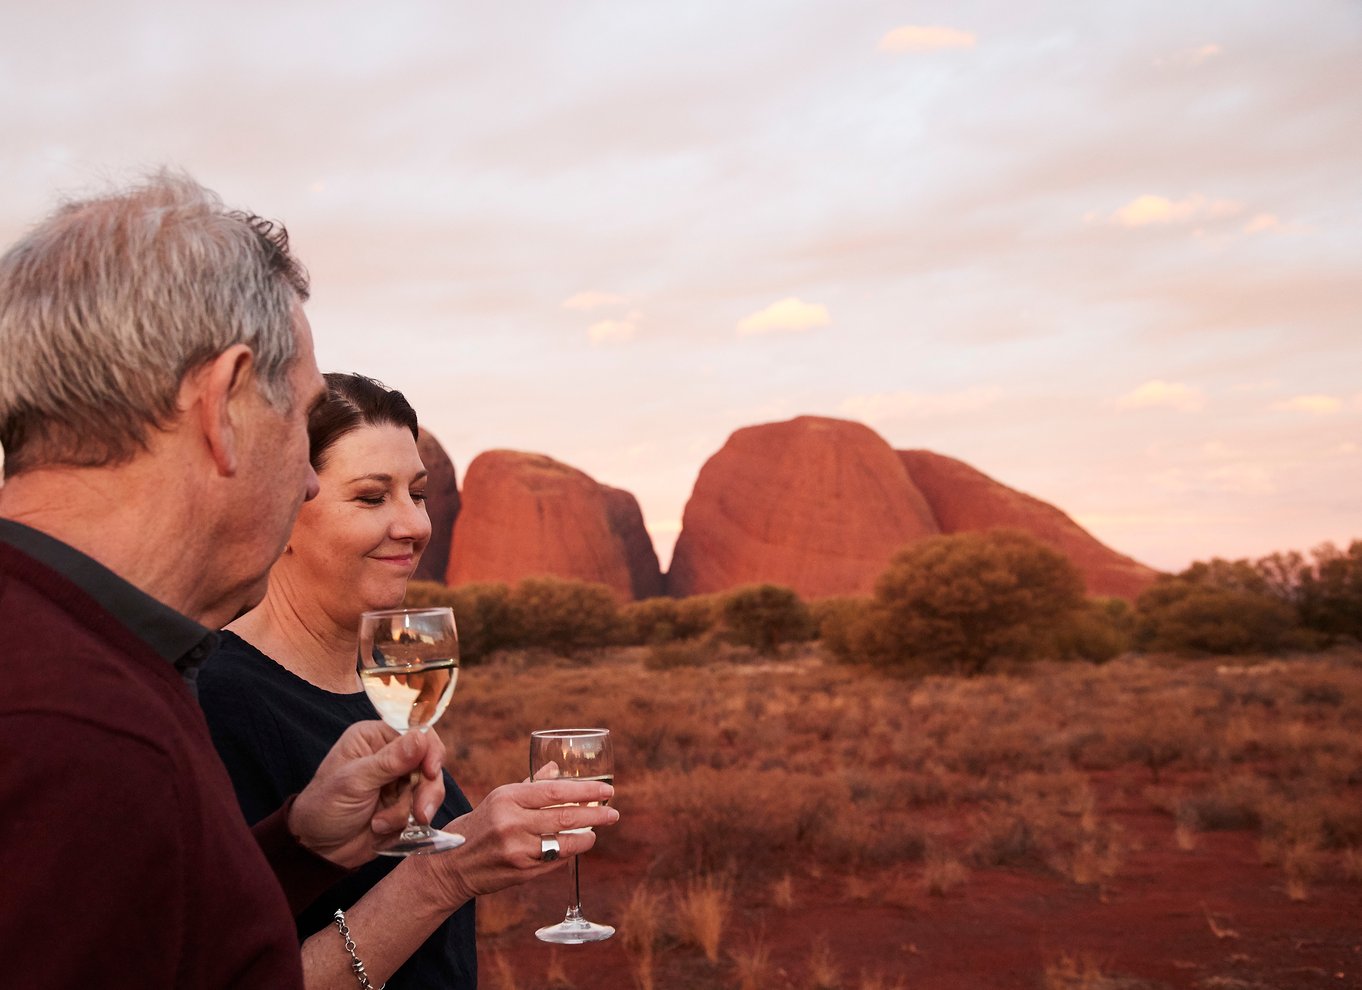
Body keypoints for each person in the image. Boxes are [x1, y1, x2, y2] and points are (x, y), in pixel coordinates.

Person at [0, 173, 448, 987]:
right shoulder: (73, 732)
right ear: (224, 404)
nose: (307, 483)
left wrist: (296, 846)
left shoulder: (86, 660)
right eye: (295, 415)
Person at [199, 372, 618, 988]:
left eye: (417, 495)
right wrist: (449, 872)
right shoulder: (218, 700)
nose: (416, 525)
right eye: (372, 497)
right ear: (280, 508)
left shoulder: (379, 692)